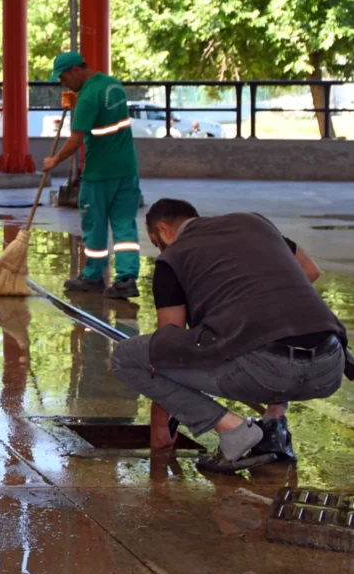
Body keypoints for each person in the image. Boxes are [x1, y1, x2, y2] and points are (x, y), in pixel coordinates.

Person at [111, 198, 351, 473]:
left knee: (125, 358)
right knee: (274, 324)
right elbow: (311, 270)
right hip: (329, 368)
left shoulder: (173, 257)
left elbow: (166, 350)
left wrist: (159, 424)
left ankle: (233, 429)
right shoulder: (254, 223)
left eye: (156, 243)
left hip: (265, 370)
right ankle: (274, 422)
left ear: (164, 231)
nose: (160, 249)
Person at [43, 51, 141, 299]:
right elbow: (105, 116)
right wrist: (75, 102)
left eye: (64, 77)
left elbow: (76, 140)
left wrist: (55, 160)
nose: (63, 83)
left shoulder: (88, 96)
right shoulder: (113, 85)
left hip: (100, 172)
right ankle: (126, 279)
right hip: (127, 168)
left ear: (76, 69)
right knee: (124, 224)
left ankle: (94, 276)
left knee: (94, 224)